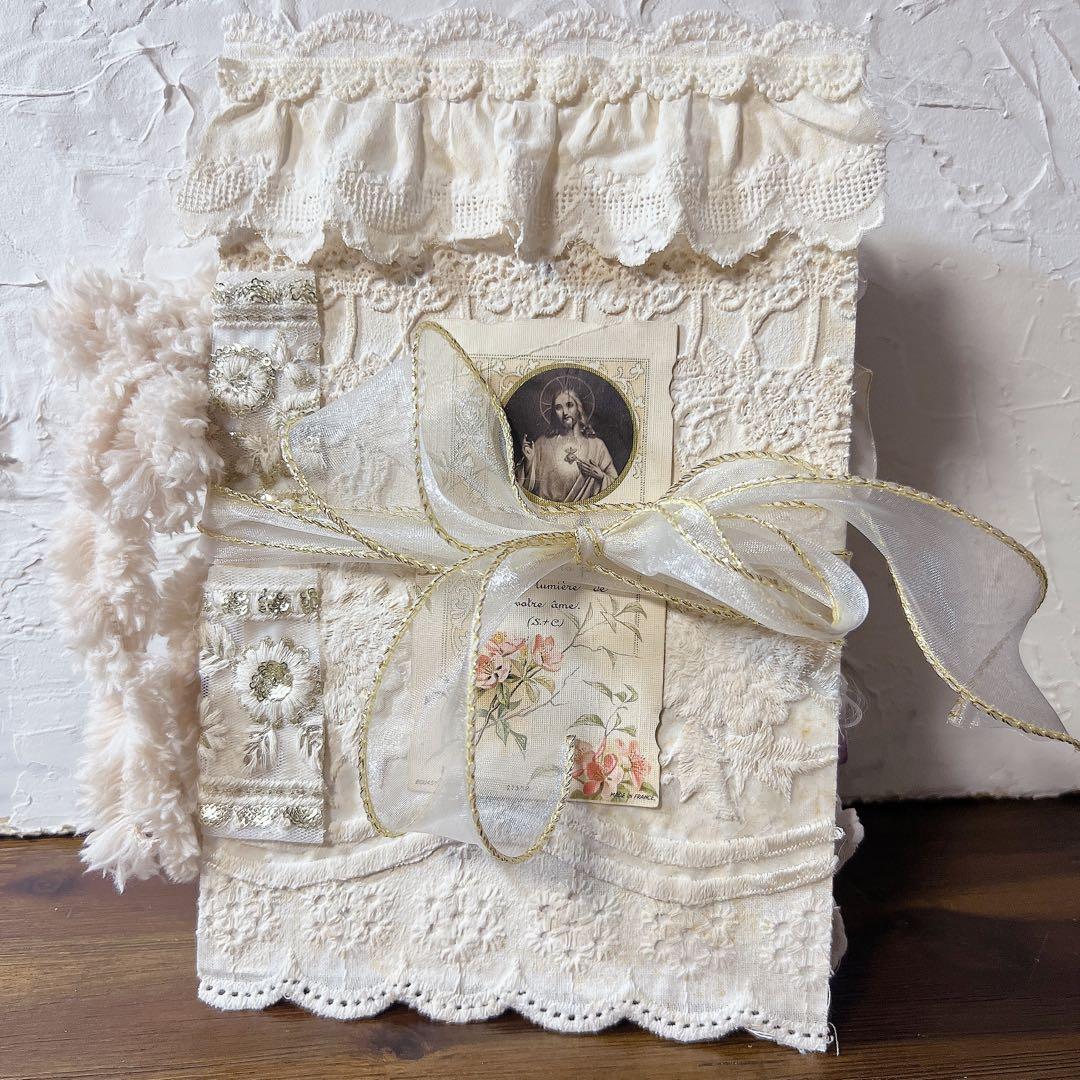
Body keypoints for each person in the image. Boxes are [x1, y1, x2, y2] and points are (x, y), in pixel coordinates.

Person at [516, 382, 618, 502]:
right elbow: (523, 489)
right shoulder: (541, 444)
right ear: (554, 413)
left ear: (578, 409)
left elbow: (615, 485)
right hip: (548, 510)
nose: (565, 412)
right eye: (558, 408)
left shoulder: (597, 445)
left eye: (569, 405)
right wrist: (529, 461)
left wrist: (600, 476)